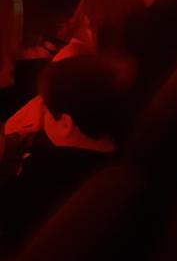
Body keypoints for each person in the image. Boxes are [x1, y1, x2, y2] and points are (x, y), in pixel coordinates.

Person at [0, 57, 123, 247]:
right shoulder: (111, 150)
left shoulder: (43, 172)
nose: (40, 116)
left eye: (45, 110)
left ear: (66, 123)